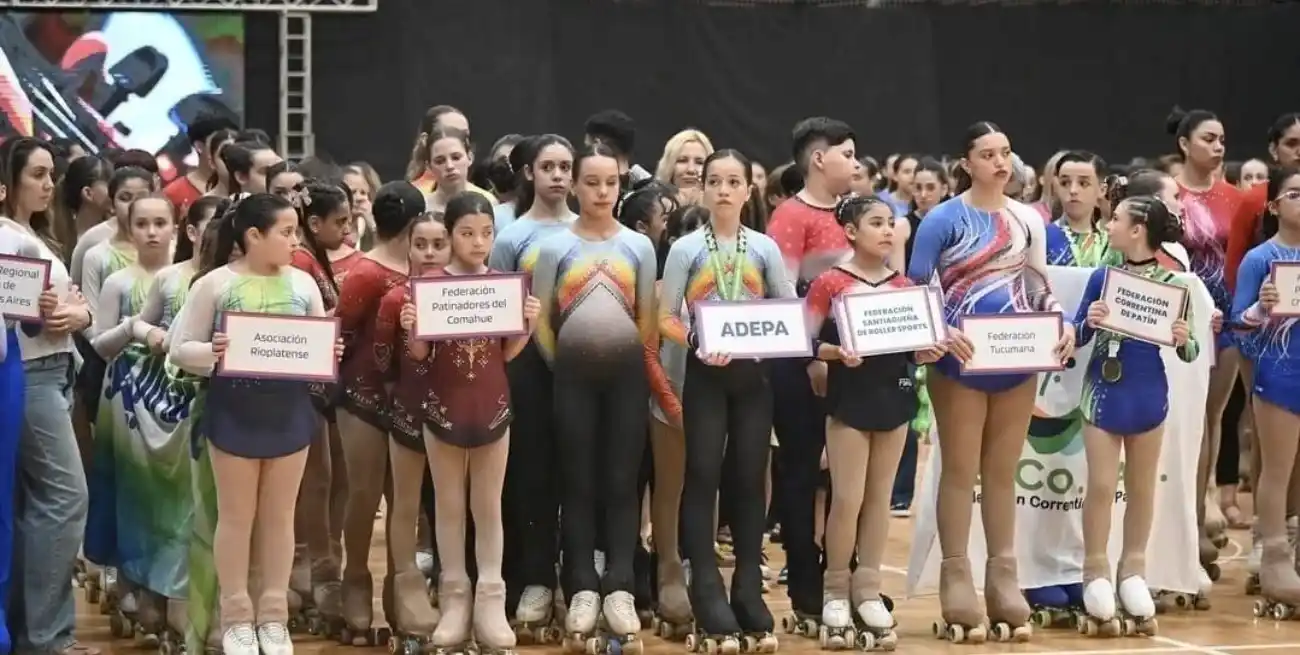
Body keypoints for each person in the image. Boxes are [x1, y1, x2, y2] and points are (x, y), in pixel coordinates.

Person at [907, 121, 1072, 644]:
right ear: (966, 163)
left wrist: (1060, 323)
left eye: (1005, 152)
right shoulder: (942, 219)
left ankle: (1004, 575)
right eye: (987, 154)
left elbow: (1037, 282)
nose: (1000, 162)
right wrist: (942, 331)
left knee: (1002, 473)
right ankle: (956, 573)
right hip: (961, 357)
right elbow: (918, 286)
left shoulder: (1028, 219)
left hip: (1017, 356)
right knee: (959, 470)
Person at [167, 193, 343, 655]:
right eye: (286, 232)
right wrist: (214, 353)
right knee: (237, 518)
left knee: (281, 519)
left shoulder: (303, 283)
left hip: (288, 412)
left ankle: (273, 617)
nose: (295, 241)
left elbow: (316, 344)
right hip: (234, 412)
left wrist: (327, 352)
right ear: (253, 236)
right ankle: (236, 616)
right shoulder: (214, 284)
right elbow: (179, 348)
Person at [529, 143, 669, 652]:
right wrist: (565, 365)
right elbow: (543, 322)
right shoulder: (554, 248)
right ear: (575, 186)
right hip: (572, 381)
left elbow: (647, 319)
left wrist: (627, 361)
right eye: (592, 182)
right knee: (579, 481)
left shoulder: (638, 246)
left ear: (620, 185)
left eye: (610, 182)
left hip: (625, 379)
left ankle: (621, 588)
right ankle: (583, 585)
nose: (602, 191)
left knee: (622, 481)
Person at [394, 192, 540, 654]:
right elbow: (419, 355)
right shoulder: (431, 287)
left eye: (486, 233)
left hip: (492, 406)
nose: (478, 242)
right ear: (451, 234)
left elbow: (508, 352)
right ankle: (454, 594)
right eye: (467, 233)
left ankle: (491, 598)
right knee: (449, 506)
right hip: (442, 409)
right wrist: (411, 326)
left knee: (489, 506)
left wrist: (527, 326)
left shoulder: (502, 284)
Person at [659, 149, 793, 652]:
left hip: (753, 378)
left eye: (732, 181)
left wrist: (777, 337)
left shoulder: (764, 249)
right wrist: (696, 342)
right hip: (705, 374)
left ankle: (746, 590)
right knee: (703, 476)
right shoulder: (685, 249)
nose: (722, 189)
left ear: (746, 190)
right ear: (705, 187)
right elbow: (665, 317)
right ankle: (706, 589)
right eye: (714, 180)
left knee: (749, 476)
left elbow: (785, 309)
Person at [806, 196, 939, 651]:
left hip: (894, 397)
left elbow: (914, 347)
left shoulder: (905, 287)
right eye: (875, 223)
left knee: (879, 500)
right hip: (849, 400)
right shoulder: (830, 282)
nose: (886, 231)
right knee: (847, 498)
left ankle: (867, 589)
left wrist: (926, 350)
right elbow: (803, 341)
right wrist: (835, 352)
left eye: (891, 224)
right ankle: (835, 590)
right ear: (849, 231)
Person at [1072, 195, 1201, 636]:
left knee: (1142, 489)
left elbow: (1191, 351)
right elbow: (1075, 333)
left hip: (1148, 392)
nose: (1108, 225)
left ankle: (1133, 570)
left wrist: (1184, 337)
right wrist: (1089, 319)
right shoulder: (1102, 277)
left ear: (1138, 229)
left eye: (1116, 219)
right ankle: (1095, 571)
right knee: (1103, 486)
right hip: (1103, 392)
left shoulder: (1173, 284)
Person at [1, 137, 97, 655]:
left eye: (51, 174)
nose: (48, 183)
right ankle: (48, 638)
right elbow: (18, 312)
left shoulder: (34, 235)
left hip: (52, 369)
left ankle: (32, 633)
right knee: (64, 498)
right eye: (37, 173)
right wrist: (63, 316)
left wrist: (79, 315)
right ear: (8, 180)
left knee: (34, 503)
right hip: (31, 373)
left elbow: (73, 307)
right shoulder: (4, 234)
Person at [765, 117, 856, 634]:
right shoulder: (790, 216)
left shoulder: (858, 214)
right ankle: (806, 588)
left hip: (859, 367)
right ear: (818, 159)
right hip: (806, 367)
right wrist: (812, 357)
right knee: (803, 475)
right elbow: (782, 300)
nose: (855, 162)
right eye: (846, 153)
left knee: (850, 480)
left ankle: (846, 581)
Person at [83, 195, 180, 644]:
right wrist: (136, 328)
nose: (152, 232)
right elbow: (100, 346)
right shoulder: (119, 282)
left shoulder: (185, 279)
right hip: (124, 396)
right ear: (129, 226)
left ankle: (164, 588)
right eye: (142, 223)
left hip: (173, 399)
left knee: (168, 491)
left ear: (176, 226)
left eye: (161, 222)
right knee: (128, 486)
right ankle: (127, 579)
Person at [335, 181, 426, 645]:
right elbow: (340, 331)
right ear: (413, 226)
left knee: (405, 504)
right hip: (363, 400)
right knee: (366, 494)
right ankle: (355, 579)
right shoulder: (367, 273)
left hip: (409, 401)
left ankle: (400, 587)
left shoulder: (425, 270)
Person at [1231, 164, 1300, 620]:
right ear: (1274, 206)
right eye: (1295, 193)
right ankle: (1273, 555)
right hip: (1279, 372)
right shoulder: (1260, 259)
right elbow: (1238, 328)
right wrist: (1261, 308)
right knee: (1276, 469)